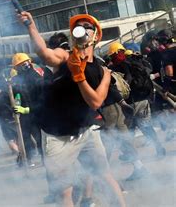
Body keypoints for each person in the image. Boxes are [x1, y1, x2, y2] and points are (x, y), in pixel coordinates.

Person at [18, 11, 126, 207]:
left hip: (85, 130)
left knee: (105, 175)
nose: (82, 29)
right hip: (56, 135)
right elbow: (45, 53)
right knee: (63, 191)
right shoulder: (65, 56)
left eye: (87, 26)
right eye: (79, 26)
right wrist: (31, 27)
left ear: (95, 35)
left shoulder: (101, 70)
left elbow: (96, 102)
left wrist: (105, 78)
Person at [107, 42, 166, 160]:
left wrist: (124, 88)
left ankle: (133, 157)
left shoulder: (121, 65)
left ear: (115, 54)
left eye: (112, 56)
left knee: (130, 129)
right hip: (142, 100)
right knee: (141, 127)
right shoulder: (133, 61)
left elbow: (127, 78)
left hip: (132, 102)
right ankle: (156, 148)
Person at [10, 53, 47, 166]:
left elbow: (42, 100)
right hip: (25, 116)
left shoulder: (37, 77)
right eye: (19, 65)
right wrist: (17, 104)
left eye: (24, 63)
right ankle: (28, 160)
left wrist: (26, 109)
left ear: (29, 62)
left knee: (40, 139)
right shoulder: (16, 80)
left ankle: (45, 160)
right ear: (16, 68)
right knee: (25, 138)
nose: (23, 66)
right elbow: (17, 95)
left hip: (37, 114)